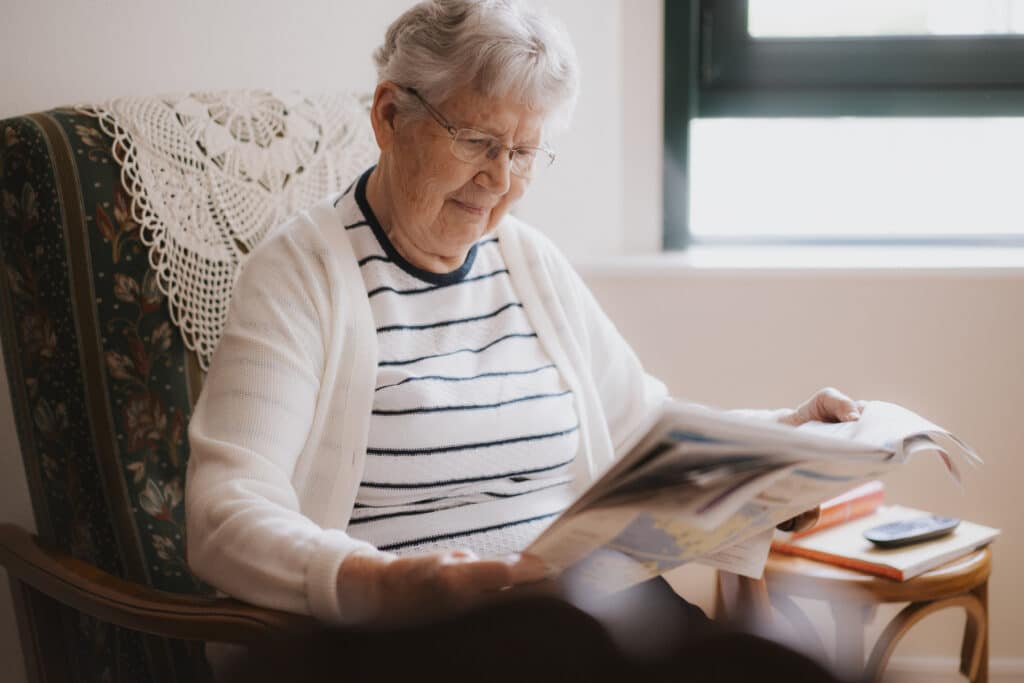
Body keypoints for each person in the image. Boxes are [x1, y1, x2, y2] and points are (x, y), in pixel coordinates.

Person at [186, 0, 862, 676]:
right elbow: (225, 514)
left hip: (588, 618)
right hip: (415, 644)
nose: (500, 179)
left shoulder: (529, 262)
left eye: (524, 152)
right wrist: (379, 582)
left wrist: (780, 447)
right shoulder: (298, 276)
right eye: (478, 141)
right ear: (390, 115)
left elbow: (645, 432)